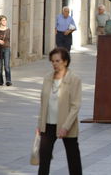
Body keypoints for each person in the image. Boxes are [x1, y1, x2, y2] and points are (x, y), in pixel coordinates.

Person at [37, 47, 82, 175]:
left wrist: (65, 127)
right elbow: (43, 102)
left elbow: (75, 106)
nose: (54, 64)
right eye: (52, 61)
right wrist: (40, 124)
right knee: (44, 158)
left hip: (66, 125)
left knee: (73, 158)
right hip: (48, 124)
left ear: (65, 62)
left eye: (58, 61)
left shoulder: (74, 79)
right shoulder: (47, 78)